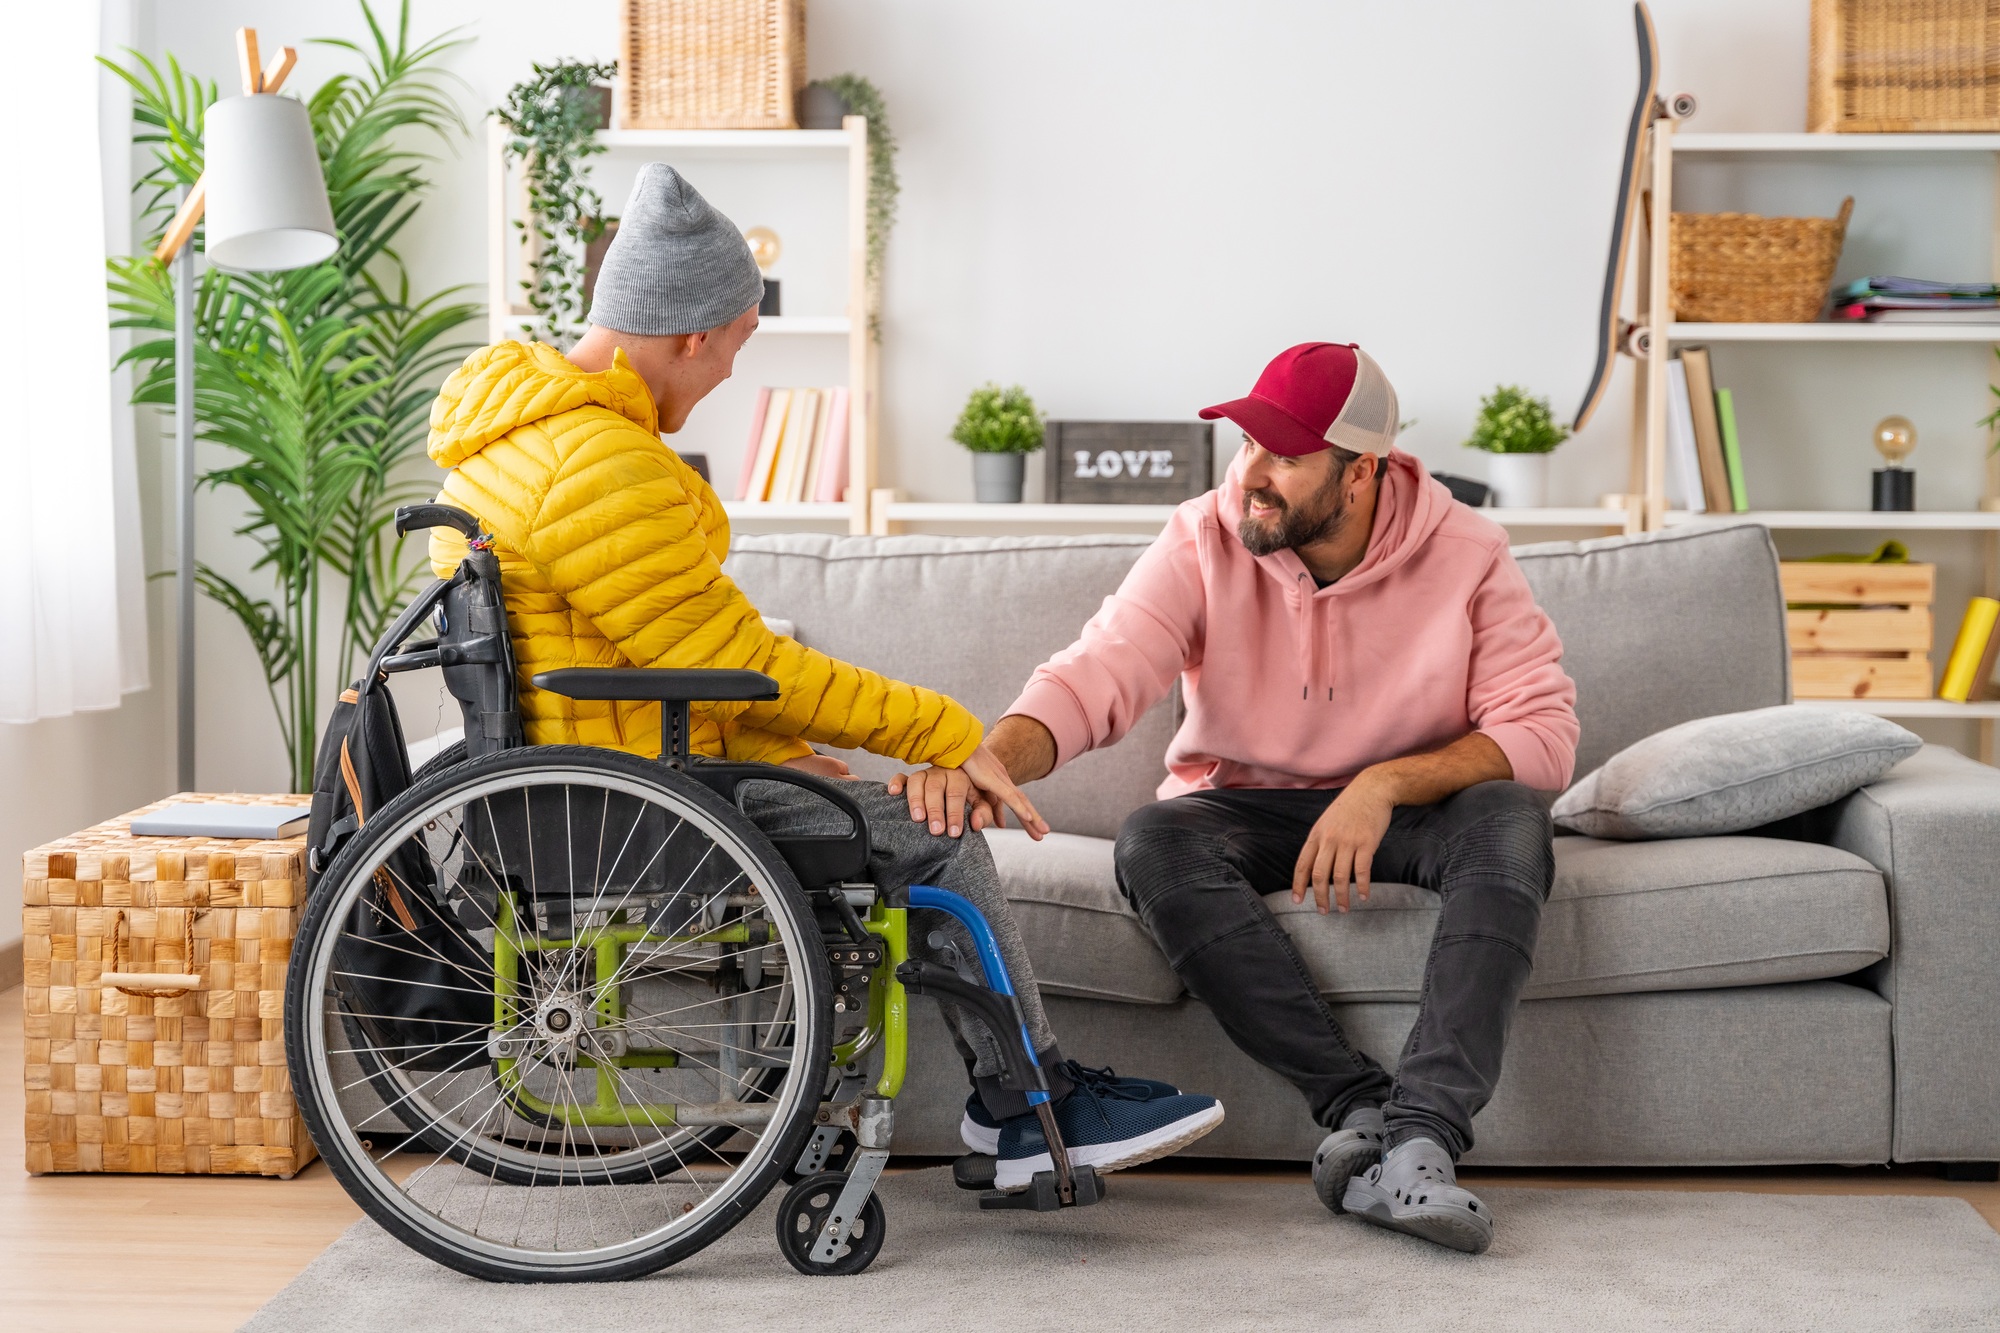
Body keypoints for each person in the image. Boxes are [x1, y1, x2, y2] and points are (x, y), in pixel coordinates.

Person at [421, 162, 1222, 1189]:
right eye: (737, 343)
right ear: (693, 334)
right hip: (637, 804)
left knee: (873, 809)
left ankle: (1012, 1101)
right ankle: (1027, 1107)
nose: (728, 375)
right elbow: (739, 664)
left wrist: (788, 753)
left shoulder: (518, 446)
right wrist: (942, 730)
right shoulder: (595, 463)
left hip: (590, 786)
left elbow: (655, 656)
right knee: (939, 835)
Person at [969, 342, 1578, 1251]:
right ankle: (1361, 1106)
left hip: (1413, 811)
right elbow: (1100, 669)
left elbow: (1543, 732)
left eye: (1285, 455)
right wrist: (992, 759)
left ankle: (1423, 1140)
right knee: (1154, 837)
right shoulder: (1202, 536)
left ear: (1360, 471)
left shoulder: (1468, 551)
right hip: (1247, 810)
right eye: (1249, 443)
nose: (1251, 474)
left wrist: (1383, 783)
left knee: (1512, 819)